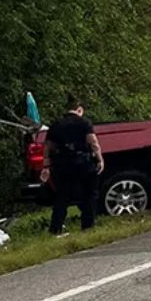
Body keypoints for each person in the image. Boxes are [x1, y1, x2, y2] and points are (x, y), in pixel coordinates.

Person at [41, 97, 104, 235]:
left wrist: (46, 164)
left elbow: (48, 147)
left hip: (62, 164)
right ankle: (87, 226)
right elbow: (93, 142)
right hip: (83, 163)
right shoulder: (84, 123)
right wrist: (99, 159)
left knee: (62, 196)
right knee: (89, 194)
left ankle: (55, 228)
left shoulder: (56, 124)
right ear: (79, 109)